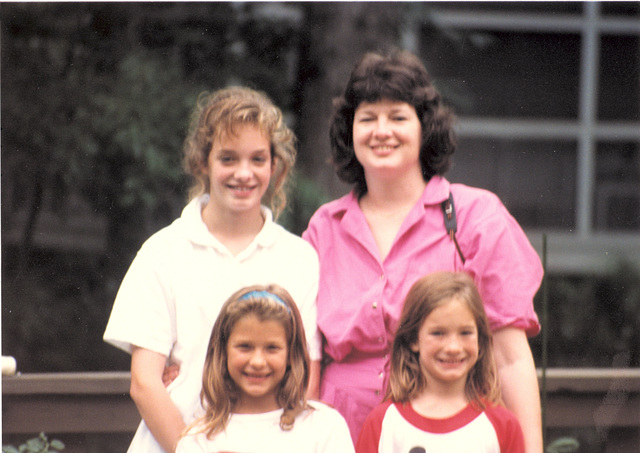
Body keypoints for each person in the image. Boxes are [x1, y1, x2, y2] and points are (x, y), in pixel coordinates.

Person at [302, 50, 543, 452]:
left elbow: (511, 358)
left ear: (424, 128)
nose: (382, 131)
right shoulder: (324, 228)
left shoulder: (474, 217)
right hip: (340, 433)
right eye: (367, 118)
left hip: (452, 433)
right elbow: (300, 353)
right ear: (350, 132)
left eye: (398, 117)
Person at [103, 86, 321, 453]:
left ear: (274, 165)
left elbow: (305, 372)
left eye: (257, 159)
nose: (243, 174)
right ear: (203, 162)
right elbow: (144, 383)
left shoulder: (298, 257)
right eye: (228, 159)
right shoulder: (162, 252)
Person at [356, 272, 524, 453]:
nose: (453, 347)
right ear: (413, 339)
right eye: (438, 333)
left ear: (480, 339)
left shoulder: (503, 426)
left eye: (465, 333)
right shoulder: (383, 424)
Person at [175, 285, 355, 453]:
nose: (258, 362)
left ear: (292, 354)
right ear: (223, 351)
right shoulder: (198, 439)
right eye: (245, 347)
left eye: (272, 348)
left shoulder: (323, 426)